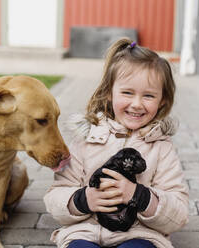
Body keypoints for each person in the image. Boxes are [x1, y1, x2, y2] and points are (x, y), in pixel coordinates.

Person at [43, 38, 189, 248]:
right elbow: (56, 195)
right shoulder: (87, 139)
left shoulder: (161, 148)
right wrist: (84, 200)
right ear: (109, 93)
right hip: (85, 231)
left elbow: (179, 213)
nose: (137, 104)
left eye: (148, 96)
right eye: (127, 93)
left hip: (139, 234)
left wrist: (138, 195)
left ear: (162, 100)